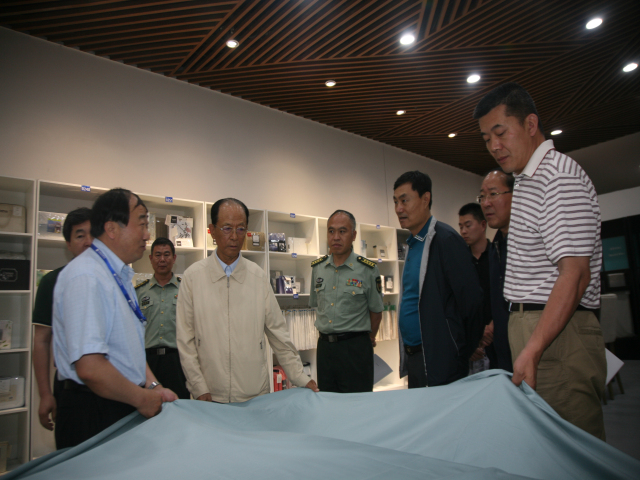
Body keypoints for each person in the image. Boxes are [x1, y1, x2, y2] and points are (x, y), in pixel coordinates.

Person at [474, 82, 606, 439]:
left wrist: (533, 347)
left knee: (573, 449)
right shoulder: (528, 180)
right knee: (546, 448)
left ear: (530, 124)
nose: (494, 146)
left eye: (501, 132)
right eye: (486, 138)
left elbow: (575, 274)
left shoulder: (557, 176)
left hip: (557, 336)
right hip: (538, 330)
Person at [53, 188, 177, 449]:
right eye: (142, 224)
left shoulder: (117, 275)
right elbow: (90, 367)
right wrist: (141, 399)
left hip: (119, 401)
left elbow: (126, 348)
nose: (147, 235)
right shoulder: (86, 275)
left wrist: (153, 386)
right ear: (111, 228)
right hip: (93, 410)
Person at [177, 198, 318, 403]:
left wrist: (300, 377)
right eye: (227, 228)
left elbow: (279, 335)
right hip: (209, 396)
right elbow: (186, 341)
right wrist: (198, 387)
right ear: (212, 230)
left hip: (254, 394)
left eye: (241, 229)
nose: (234, 236)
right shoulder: (192, 278)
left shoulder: (258, 277)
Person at [394, 171, 484, 388]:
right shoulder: (414, 243)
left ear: (425, 199)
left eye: (404, 200)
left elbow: (472, 301)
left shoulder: (445, 239)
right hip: (416, 356)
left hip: (442, 359)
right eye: (395, 202)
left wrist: (460, 349)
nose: (398, 208)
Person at [32, 207, 92, 433]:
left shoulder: (113, 280)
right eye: (80, 235)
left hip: (112, 388)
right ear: (68, 243)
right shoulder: (52, 281)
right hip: (71, 389)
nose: (88, 242)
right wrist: (45, 394)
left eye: (93, 234)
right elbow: (41, 340)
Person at [310, 210, 384, 393]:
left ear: (353, 235)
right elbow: (317, 306)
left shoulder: (367, 269)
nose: (336, 237)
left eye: (342, 231)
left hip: (355, 349)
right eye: (331, 231)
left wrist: (368, 339)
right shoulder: (318, 268)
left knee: (357, 404)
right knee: (327, 402)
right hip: (325, 349)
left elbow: (376, 311)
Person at [135, 238, 190, 399]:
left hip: (177, 361)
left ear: (174, 258)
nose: (162, 259)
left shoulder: (185, 289)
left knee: (180, 406)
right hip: (148, 362)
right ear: (151, 258)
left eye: (167, 255)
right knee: (148, 406)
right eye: (158, 255)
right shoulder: (139, 292)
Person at [479, 170, 514, 372]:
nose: (486, 203)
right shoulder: (496, 247)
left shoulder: (529, 242)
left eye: (493, 194)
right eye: (482, 197)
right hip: (502, 354)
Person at [458, 203, 495, 370]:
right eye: (461, 227)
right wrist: (470, 341)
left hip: (497, 336)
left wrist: (494, 325)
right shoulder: (460, 261)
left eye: (468, 225)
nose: (463, 231)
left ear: (483, 225)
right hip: (469, 343)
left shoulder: (497, 256)